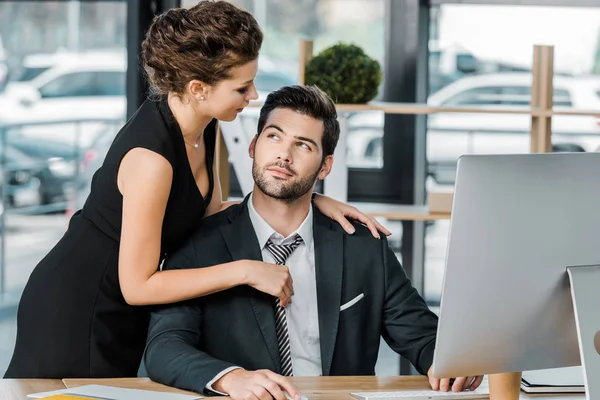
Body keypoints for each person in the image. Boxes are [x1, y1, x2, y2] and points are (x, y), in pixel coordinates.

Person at [4, 2, 389, 379]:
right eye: (242, 86)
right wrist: (246, 271)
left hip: (120, 306)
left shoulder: (204, 123)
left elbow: (214, 213)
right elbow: (138, 286)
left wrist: (311, 200)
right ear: (198, 88)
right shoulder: (151, 162)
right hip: (78, 305)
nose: (253, 95)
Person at [143, 85, 484, 400]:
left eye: (303, 145)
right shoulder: (201, 245)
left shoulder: (362, 245)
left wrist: (453, 362)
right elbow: (164, 347)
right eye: (274, 136)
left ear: (325, 166)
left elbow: (422, 336)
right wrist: (231, 378)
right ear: (253, 146)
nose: (284, 155)